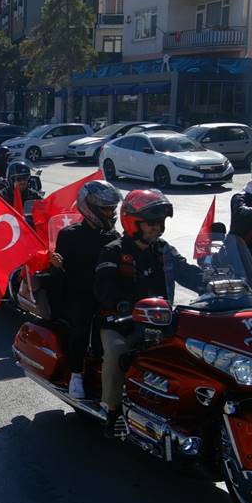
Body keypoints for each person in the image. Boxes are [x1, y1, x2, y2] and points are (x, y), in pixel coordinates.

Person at [94, 189, 203, 438]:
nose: (157, 227)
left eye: (160, 222)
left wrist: (215, 282)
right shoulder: (113, 250)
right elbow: (103, 287)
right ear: (133, 223)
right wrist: (122, 304)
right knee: (117, 353)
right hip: (120, 322)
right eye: (151, 222)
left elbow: (187, 272)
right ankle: (112, 410)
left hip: (161, 320)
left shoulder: (163, 249)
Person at [48, 180, 123, 400]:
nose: (111, 213)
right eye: (106, 208)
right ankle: (76, 375)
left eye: (112, 208)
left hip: (106, 293)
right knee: (80, 327)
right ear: (89, 207)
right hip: (79, 293)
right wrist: (56, 264)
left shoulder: (114, 237)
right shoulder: (69, 235)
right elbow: (60, 272)